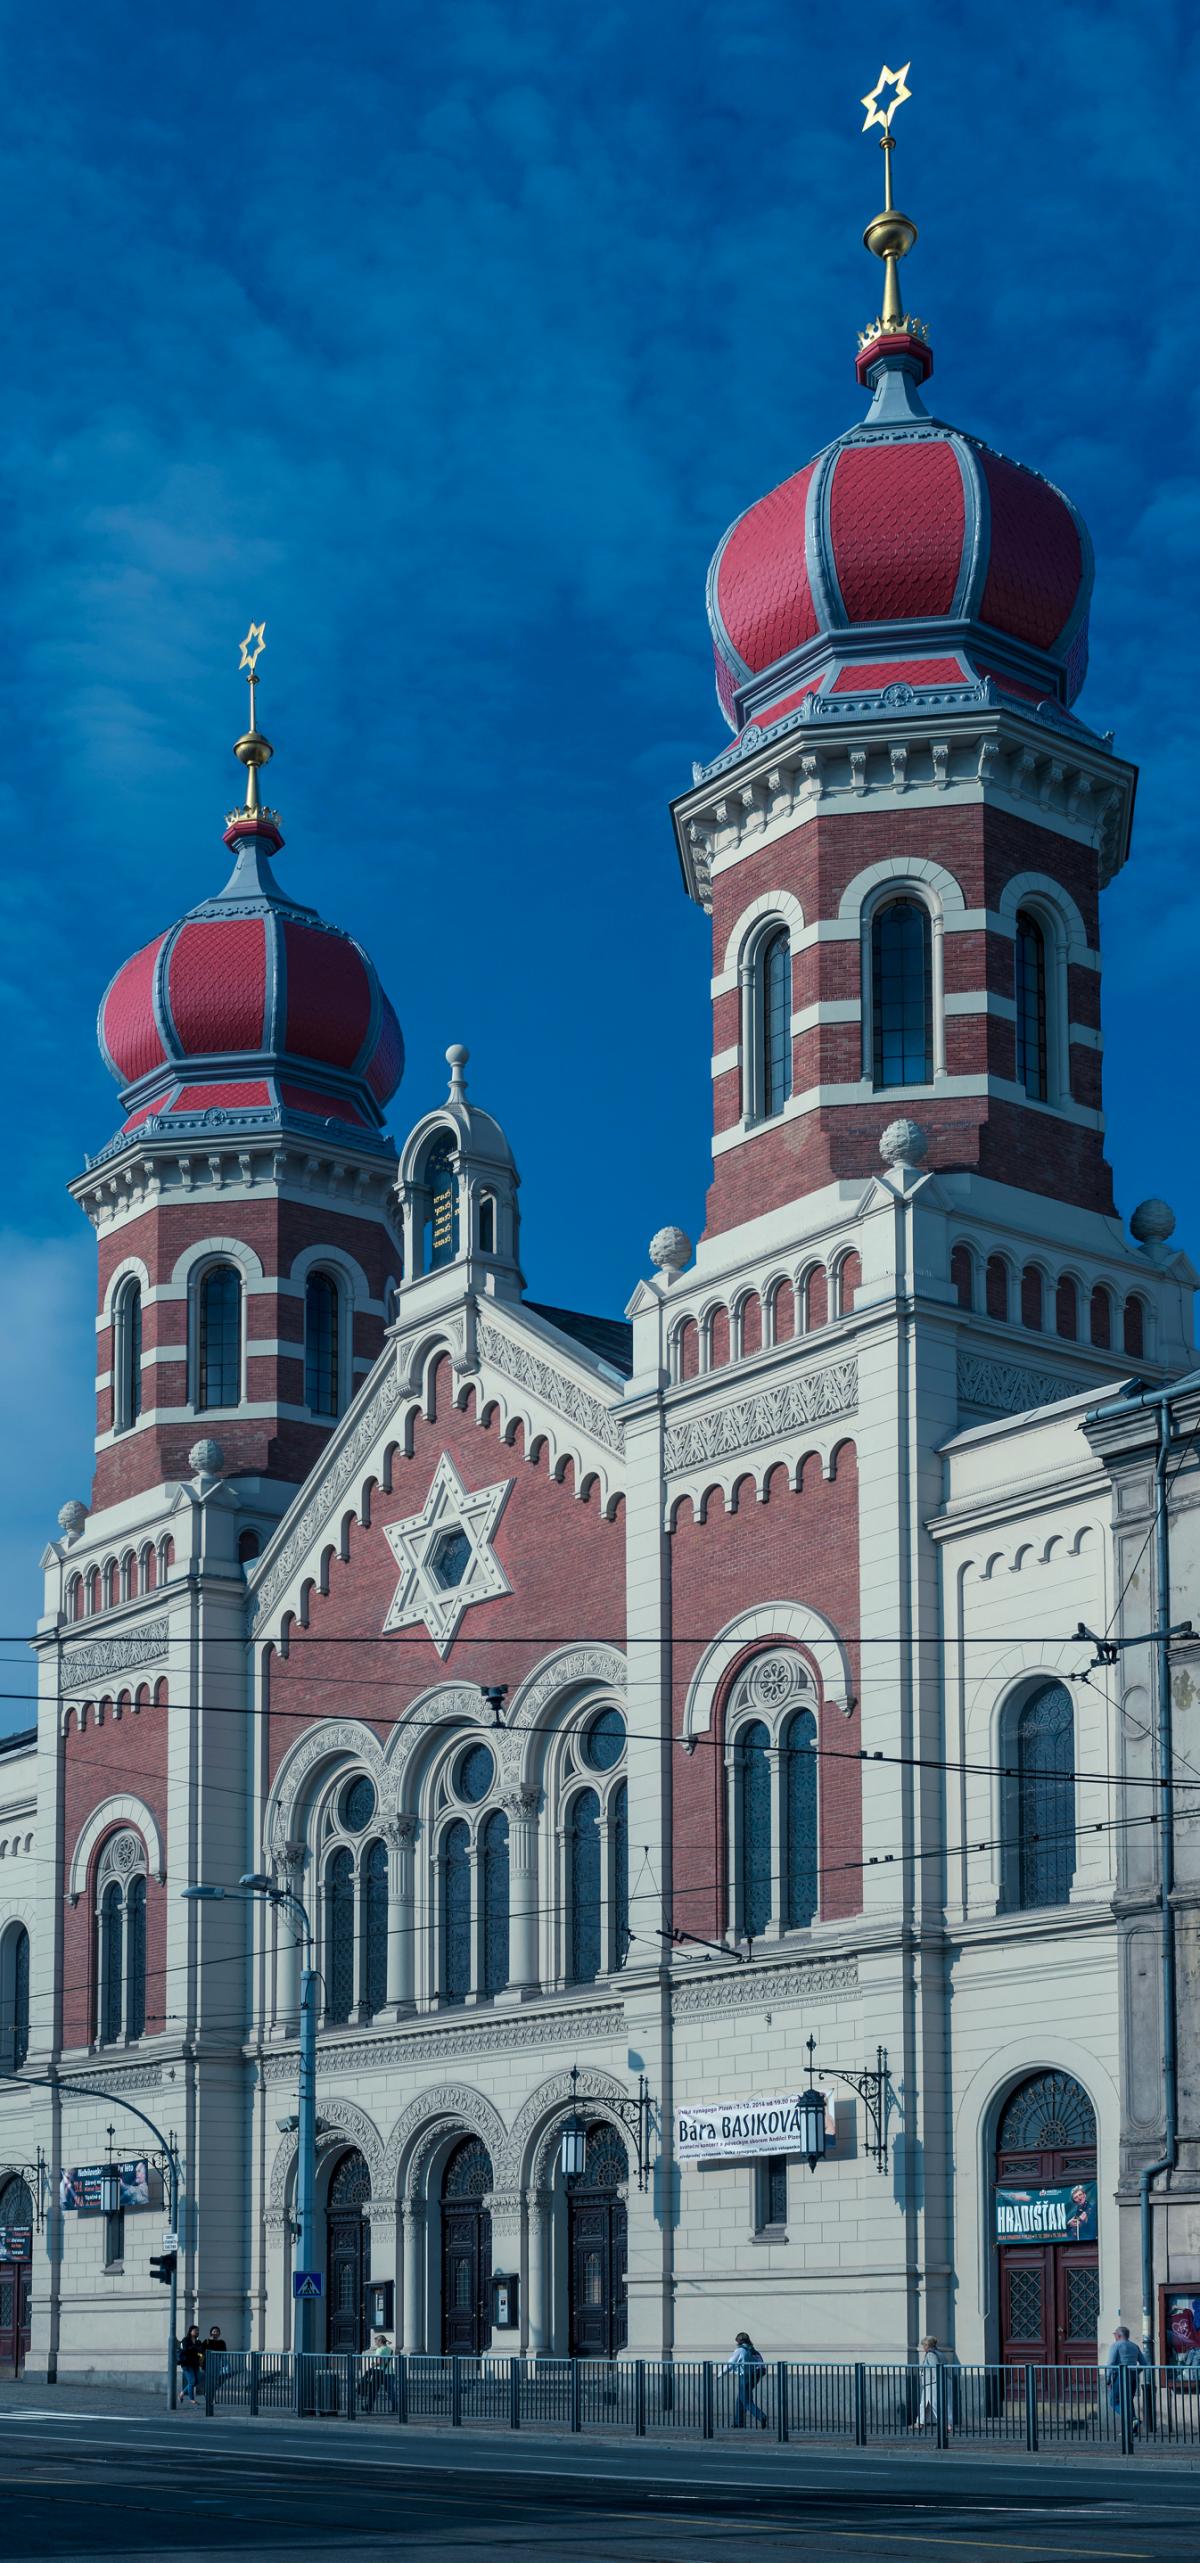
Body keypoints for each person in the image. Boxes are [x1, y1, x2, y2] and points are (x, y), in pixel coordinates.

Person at [724, 2330, 768, 2429]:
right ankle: (738, 2422)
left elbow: (730, 2364)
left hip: (746, 2376)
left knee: (746, 2400)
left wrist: (719, 2375)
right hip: (756, 2375)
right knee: (740, 2398)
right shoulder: (753, 2350)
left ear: (739, 2341)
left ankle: (761, 2416)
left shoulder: (741, 2350)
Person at [1106, 2325, 1146, 2434]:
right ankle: (1132, 2430)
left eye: (1115, 2334)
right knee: (1128, 2401)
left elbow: (1110, 2363)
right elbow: (1144, 2363)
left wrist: (1108, 2380)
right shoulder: (1134, 2346)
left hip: (1120, 2375)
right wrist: (1135, 2372)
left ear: (1118, 2335)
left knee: (1114, 2402)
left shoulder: (1116, 2346)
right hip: (1133, 2376)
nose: (1115, 2336)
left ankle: (1132, 2420)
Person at [912, 2336, 950, 2435]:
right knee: (924, 2404)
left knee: (934, 2404)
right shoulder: (939, 2353)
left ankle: (945, 2425)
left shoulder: (931, 2355)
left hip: (933, 2383)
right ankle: (920, 2422)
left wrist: (937, 2381)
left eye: (923, 2345)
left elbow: (935, 2369)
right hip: (930, 2383)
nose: (923, 2347)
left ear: (927, 2345)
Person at [363, 2331, 396, 2412]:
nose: (375, 2344)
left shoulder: (379, 2350)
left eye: (376, 2342)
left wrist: (373, 2365)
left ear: (380, 2341)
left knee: (373, 2391)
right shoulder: (390, 2349)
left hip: (379, 2374)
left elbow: (379, 2363)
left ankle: (369, 2407)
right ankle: (396, 2407)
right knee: (391, 2392)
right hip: (390, 2372)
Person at [178, 2324, 202, 2404]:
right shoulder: (185, 2340)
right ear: (190, 2331)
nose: (197, 2332)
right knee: (192, 2381)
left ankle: (182, 2394)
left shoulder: (198, 2341)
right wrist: (194, 2348)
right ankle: (192, 2399)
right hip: (186, 2363)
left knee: (196, 2381)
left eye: (198, 2331)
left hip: (195, 2363)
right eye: (195, 2330)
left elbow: (200, 2351)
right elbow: (185, 2350)